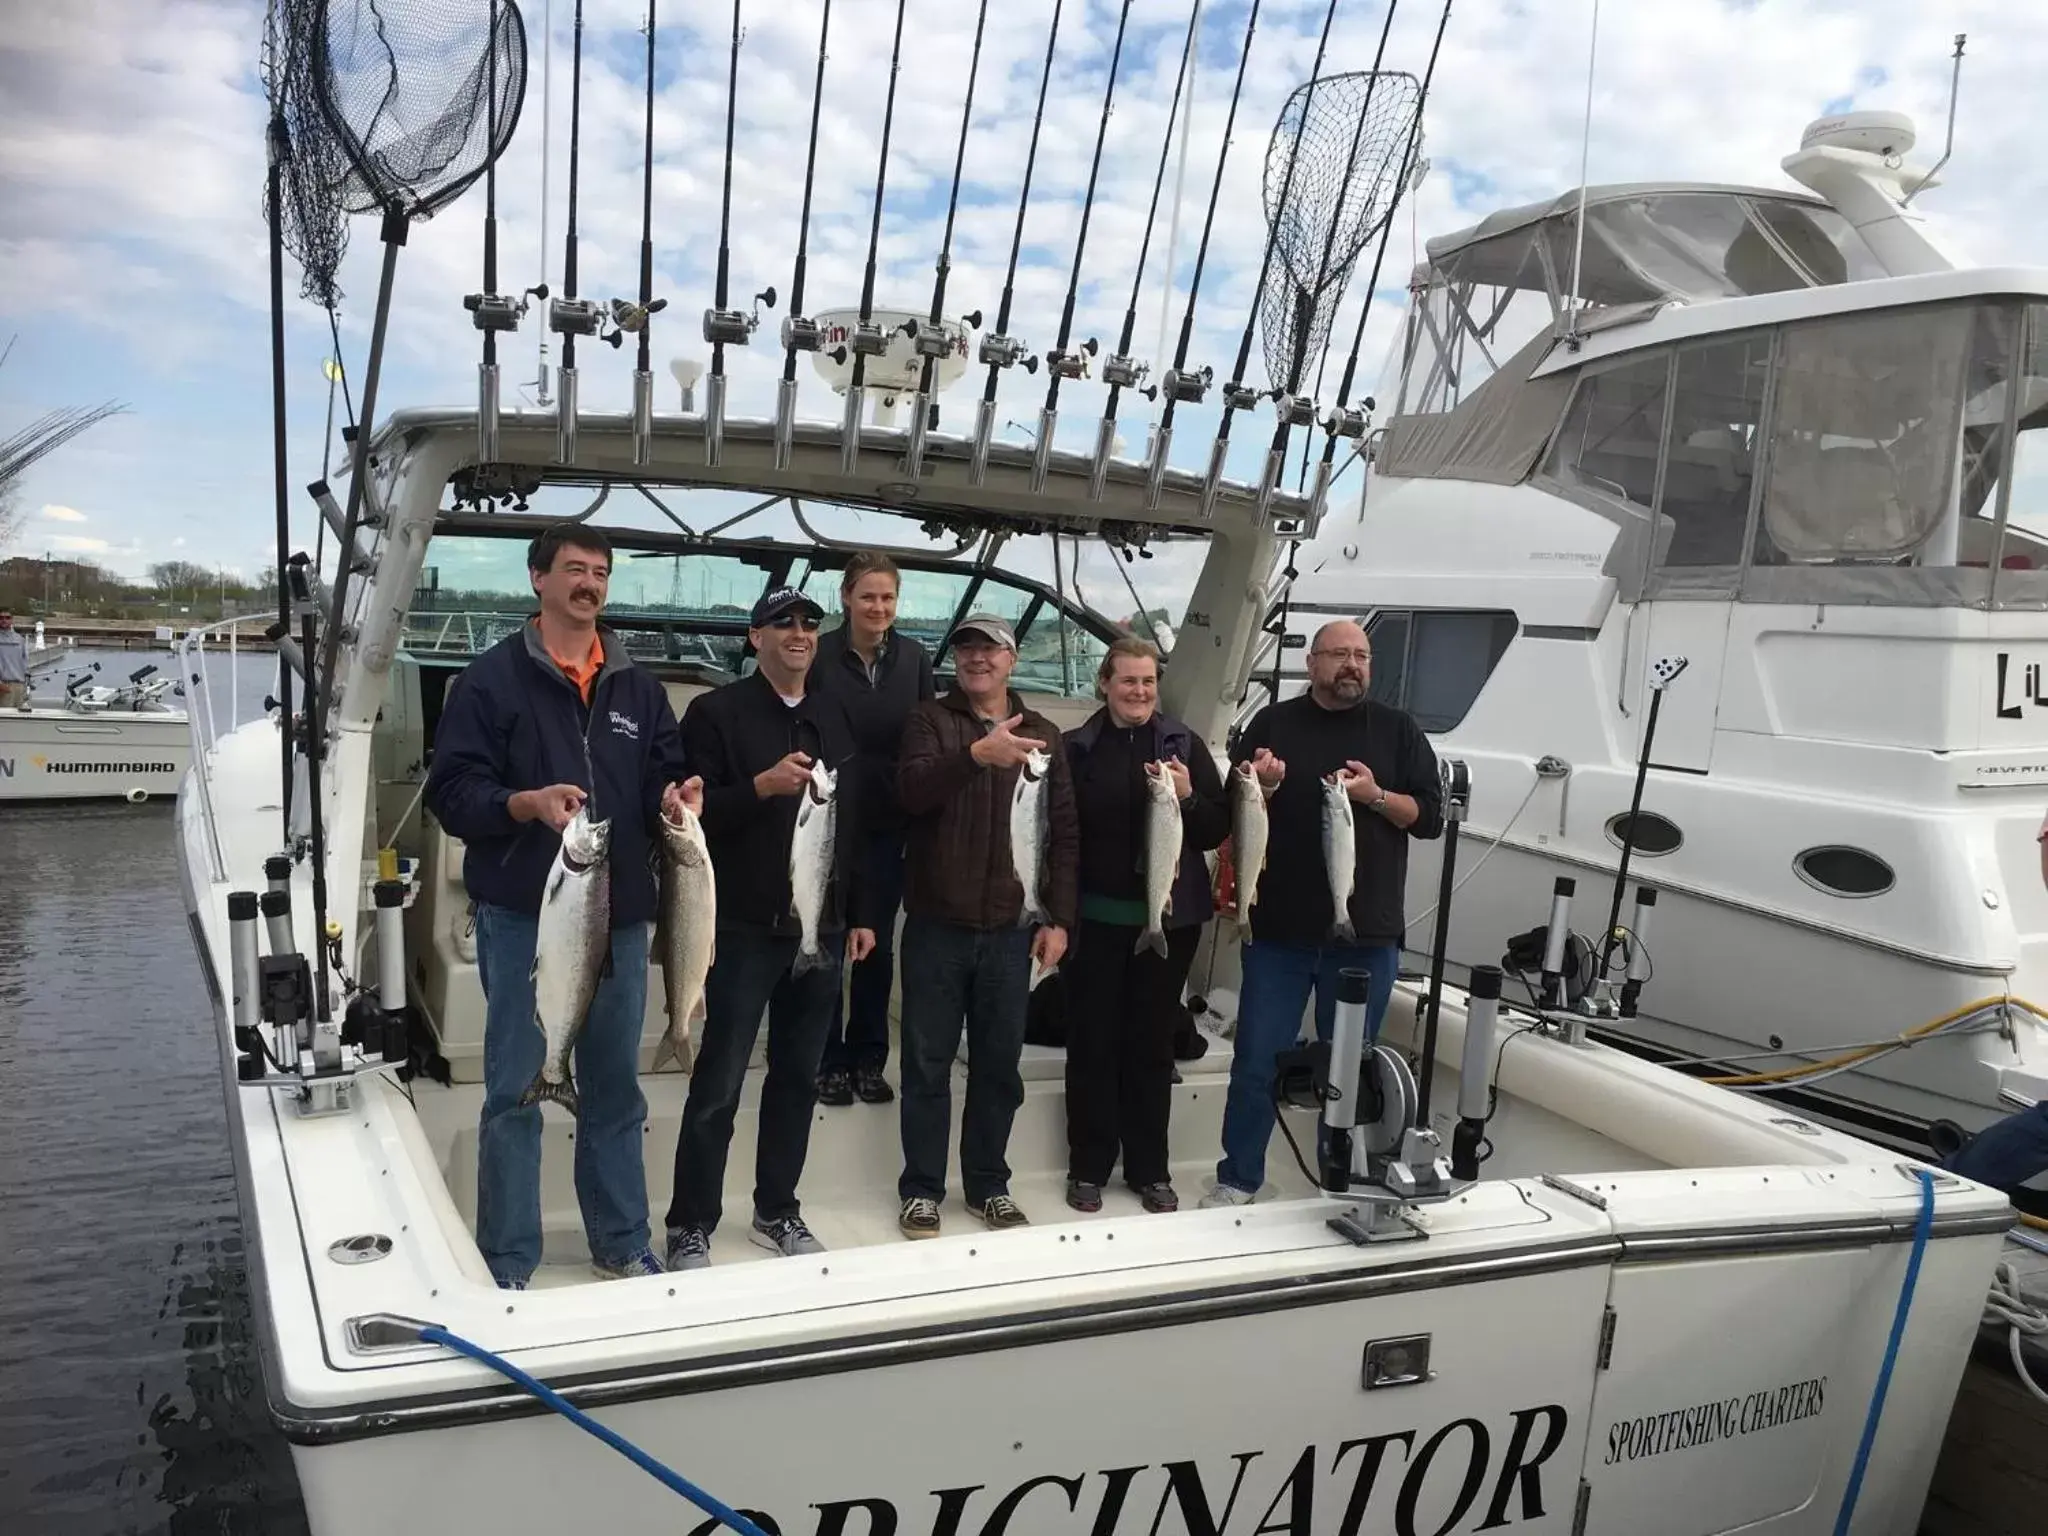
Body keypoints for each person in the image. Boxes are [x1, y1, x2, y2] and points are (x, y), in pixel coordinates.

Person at [423, 525, 700, 1288]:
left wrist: (676, 797)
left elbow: (661, 773)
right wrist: (522, 803)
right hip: (524, 918)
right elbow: (453, 793)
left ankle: (620, 1241)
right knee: (515, 1087)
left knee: (616, 1087)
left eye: (601, 572)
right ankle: (509, 1258)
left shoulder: (638, 686)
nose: (589, 583)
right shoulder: (487, 682)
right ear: (538, 578)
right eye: (574, 569)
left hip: (621, 917)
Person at [663, 586, 877, 1270]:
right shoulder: (714, 714)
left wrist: (862, 913)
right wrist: (758, 788)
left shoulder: (836, 715)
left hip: (821, 928)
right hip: (741, 931)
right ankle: (690, 1223)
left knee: (797, 1078)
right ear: (754, 638)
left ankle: (776, 1210)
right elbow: (687, 822)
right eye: (783, 622)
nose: (800, 632)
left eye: (811, 624)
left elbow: (858, 828)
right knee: (719, 1082)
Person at [1202, 618, 1443, 1208]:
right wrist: (1260, 784)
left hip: (1366, 936)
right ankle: (1238, 1179)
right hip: (1279, 931)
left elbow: (1431, 818)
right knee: (1257, 1060)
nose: (1352, 665)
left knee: (1350, 1069)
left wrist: (1376, 797)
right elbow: (1231, 807)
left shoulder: (1398, 730)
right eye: (1339, 655)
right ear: (1312, 664)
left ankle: (1340, 1181)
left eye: (1361, 655)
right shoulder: (1272, 724)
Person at [894, 612, 1077, 1238]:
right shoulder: (927, 720)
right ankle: (920, 1189)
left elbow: (1065, 836)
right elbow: (911, 793)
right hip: (935, 928)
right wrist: (977, 755)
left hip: (1010, 930)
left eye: (990, 649)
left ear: (1012, 657)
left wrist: (1059, 918)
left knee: (999, 1066)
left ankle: (988, 1185)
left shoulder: (1048, 733)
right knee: (926, 1063)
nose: (978, 658)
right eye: (967, 648)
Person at [1060, 638, 1229, 1214]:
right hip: (1094, 924)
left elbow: (1215, 828)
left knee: (1150, 1044)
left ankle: (1149, 1170)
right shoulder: (1077, 748)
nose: (1138, 691)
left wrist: (1186, 796)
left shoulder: (1184, 746)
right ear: (1104, 683)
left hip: (1168, 926)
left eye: (1148, 682)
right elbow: (1060, 837)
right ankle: (1088, 1165)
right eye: (1127, 681)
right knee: (1091, 1042)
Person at [807, 551, 935, 1108]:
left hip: (887, 821)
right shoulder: (819, 655)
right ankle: (826, 1057)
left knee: (875, 946)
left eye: (887, 597)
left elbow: (927, 732)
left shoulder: (914, 660)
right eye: (868, 596)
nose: (878, 606)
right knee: (828, 935)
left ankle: (868, 1056)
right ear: (846, 599)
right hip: (827, 817)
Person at [0, 610, 28, 710]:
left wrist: (26, 684)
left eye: (7, 618)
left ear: (12, 620)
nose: (4, 620)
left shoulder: (20, 639)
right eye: (1, 618)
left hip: (20, 686)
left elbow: (24, 662)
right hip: (3, 686)